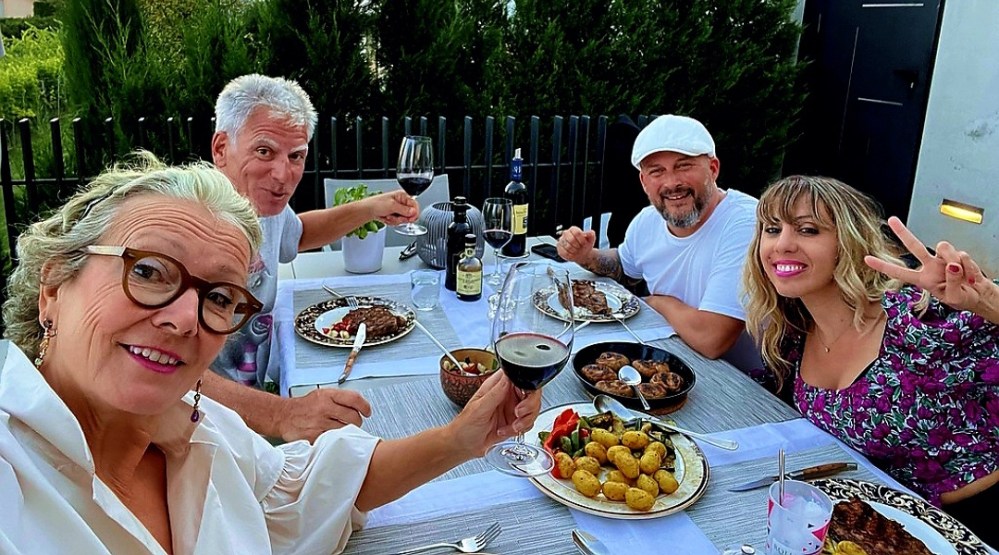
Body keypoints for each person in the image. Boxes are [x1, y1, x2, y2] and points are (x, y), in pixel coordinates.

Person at [0, 155, 541, 554]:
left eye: (218, 296)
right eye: (148, 271)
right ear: (54, 287)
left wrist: (461, 439)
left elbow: (313, 488)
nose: (185, 317)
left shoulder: (202, 430)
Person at [743, 175, 999, 544]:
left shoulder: (917, 320)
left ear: (846, 243)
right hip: (886, 525)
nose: (782, 244)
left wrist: (987, 302)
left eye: (808, 230)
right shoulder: (792, 335)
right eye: (771, 228)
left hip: (977, 524)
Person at [203, 74, 420, 443]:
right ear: (221, 148)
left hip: (250, 405)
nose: (283, 175)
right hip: (204, 425)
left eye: (296, 156)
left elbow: (298, 235)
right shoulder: (195, 228)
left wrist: (370, 208)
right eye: (264, 152)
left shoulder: (264, 210)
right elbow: (168, 366)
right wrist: (282, 414)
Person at [556, 114, 759, 363]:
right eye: (657, 171)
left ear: (713, 169)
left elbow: (712, 338)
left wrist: (656, 303)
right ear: (643, 181)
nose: (671, 183)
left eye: (684, 166)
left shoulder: (745, 222)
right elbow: (623, 265)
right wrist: (586, 256)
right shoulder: (647, 221)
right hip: (671, 355)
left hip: (744, 382)